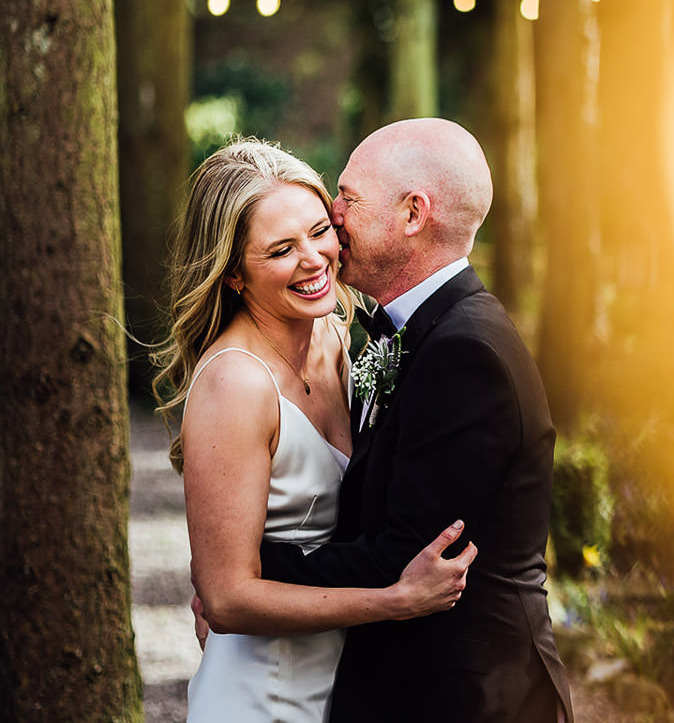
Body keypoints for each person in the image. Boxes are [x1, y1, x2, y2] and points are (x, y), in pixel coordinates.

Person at [256, 118, 574, 723]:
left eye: (348, 197)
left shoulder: (466, 354)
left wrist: (245, 575)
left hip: (465, 698)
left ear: (412, 214)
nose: (332, 215)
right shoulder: (424, 334)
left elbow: (403, 556)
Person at [155, 138, 477, 723]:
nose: (314, 258)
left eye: (319, 230)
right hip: (262, 692)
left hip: (343, 684)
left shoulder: (332, 335)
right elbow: (225, 599)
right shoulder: (236, 384)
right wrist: (395, 600)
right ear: (233, 274)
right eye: (281, 249)